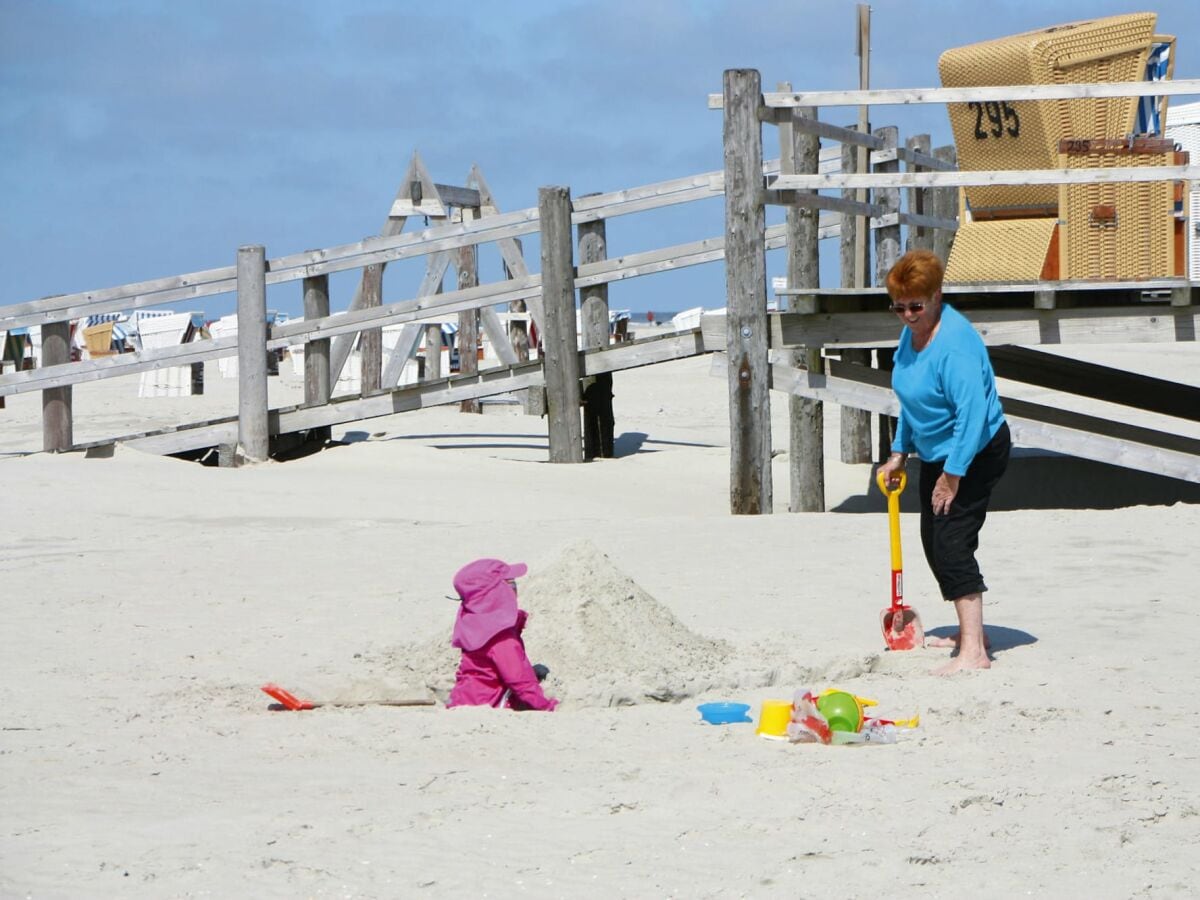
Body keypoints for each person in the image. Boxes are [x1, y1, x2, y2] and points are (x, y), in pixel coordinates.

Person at [876, 250, 1011, 675]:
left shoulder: (955, 345)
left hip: (976, 450)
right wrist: (899, 452)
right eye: (899, 307)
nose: (908, 315)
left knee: (953, 541)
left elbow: (971, 418)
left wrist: (953, 476)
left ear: (937, 296)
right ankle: (972, 633)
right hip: (938, 451)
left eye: (916, 306)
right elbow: (911, 401)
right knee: (933, 540)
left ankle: (975, 652)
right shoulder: (910, 335)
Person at [446, 558, 558, 710]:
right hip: (485, 705)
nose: (515, 589)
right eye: (510, 584)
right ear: (498, 594)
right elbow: (520, 681)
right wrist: (546, 706)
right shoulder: (501, 638)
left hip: (463, 698)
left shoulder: (474, 623)